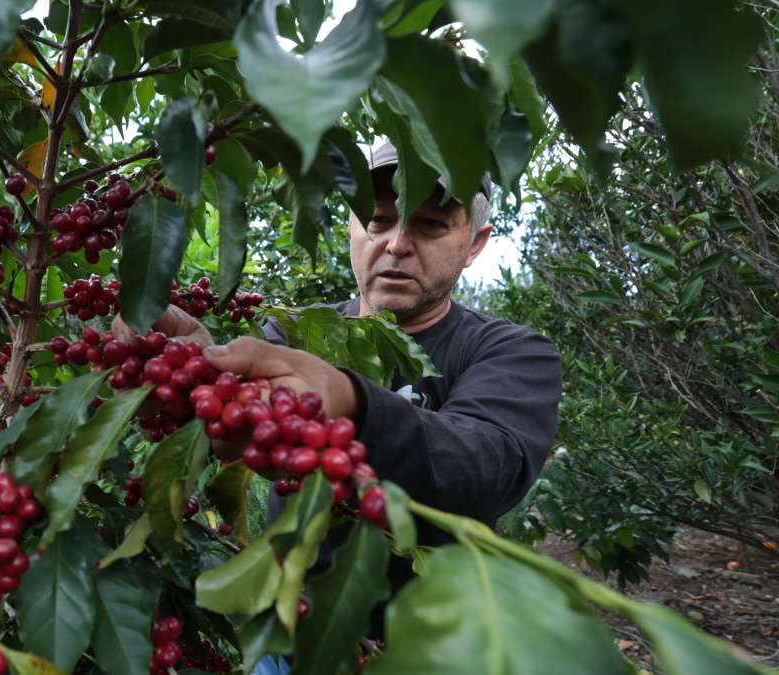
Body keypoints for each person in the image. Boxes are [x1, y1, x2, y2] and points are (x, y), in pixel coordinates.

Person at [114, 141, 563, 642]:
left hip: (429, 646)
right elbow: (235, 411)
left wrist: (351, 402)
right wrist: (197, 373)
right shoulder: (293, 332)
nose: (396, 244)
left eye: (431, 225)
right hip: (289, 629)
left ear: (475, 244)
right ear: (352, 225)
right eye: (379, 220)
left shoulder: (513, 352)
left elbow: (485, 461)